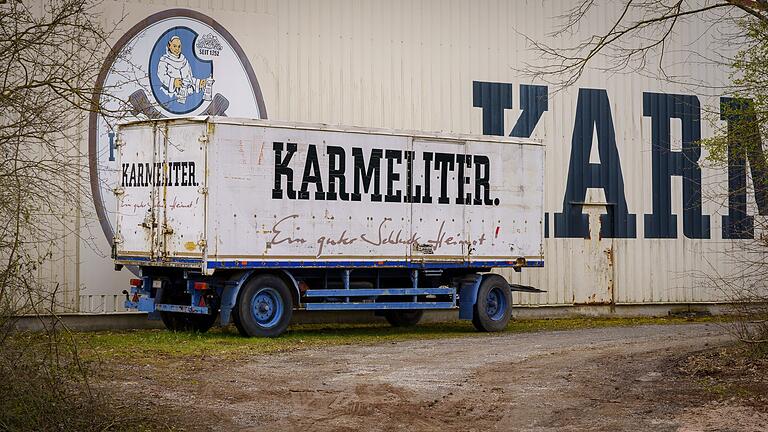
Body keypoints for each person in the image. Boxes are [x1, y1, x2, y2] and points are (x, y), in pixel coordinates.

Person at [157, 35, 207, 101]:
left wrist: (198, 82)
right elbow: (161, 76)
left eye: (179, 46)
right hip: (169, 95)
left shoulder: (184, 61)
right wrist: (174, 82)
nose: (177, 49)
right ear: (169, 45)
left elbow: (189, 78)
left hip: (185, 94)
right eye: (174, 46)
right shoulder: (164, 61)